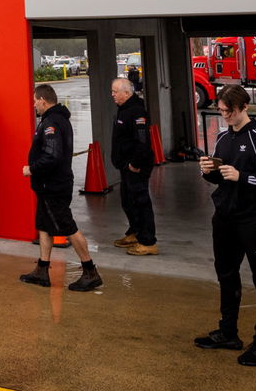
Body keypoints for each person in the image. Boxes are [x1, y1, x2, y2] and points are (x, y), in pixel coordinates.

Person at [195, 85, 256, 366]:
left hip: (252, 218)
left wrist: (242, 176)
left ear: (243, 107)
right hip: (224, 216)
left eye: (228, 111)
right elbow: (223, 178)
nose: (224, 116)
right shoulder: (223, 137)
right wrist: (208, 171)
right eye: (221, 111)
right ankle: (228, 332)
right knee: (226, 274)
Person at [20, 84, 103, 292]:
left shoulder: (52, 123)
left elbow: (52, 155)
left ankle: (90, 271)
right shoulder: (56, 120)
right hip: (49, 186)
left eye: (35, 101)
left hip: (53, 186)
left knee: (68, 227)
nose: (34, 105)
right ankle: (42, 270)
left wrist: (32, 169)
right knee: (44, 226)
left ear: (43, 101)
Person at [109, 77, 157, 255]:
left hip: (136, 167)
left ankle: (148, 241)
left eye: (115, 91)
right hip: (126, 166)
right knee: (128, 201)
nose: (112, 95)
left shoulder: (137, 112)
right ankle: (135, 232)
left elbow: (142, 142)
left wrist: (134, 164)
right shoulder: (124, 109)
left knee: (141, 202)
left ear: (127, 93)